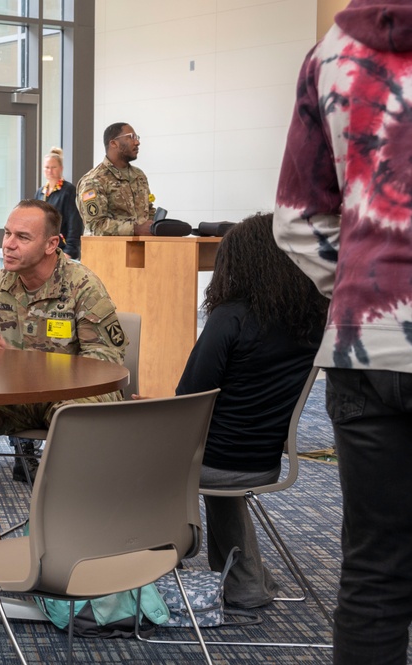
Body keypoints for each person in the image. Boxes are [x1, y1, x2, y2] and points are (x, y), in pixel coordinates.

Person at [272, 2, 412, 661]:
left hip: (365, 349)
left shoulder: (328, 55)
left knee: (373, 569)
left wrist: (362, 288)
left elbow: (296, 220)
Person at [0, 199, 127, 549]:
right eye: (7, 234)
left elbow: (106, 363)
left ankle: (78, 528)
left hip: (71, 393)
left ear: (52, 244)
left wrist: (33, 364)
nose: (8, 243)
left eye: (22, 237)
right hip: (15, 396)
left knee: (75, 417)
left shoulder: (82, 286)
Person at [174, 212, 327, 608]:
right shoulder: (313, 319)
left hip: (214, 461)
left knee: (112, 448)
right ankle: (244, 582)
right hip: (263, 460)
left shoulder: (231, 318)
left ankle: (136, 569)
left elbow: (190, 397)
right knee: (216, 463)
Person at [77, 123, 156, 236]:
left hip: (143, 250)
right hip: (111, 251)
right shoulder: (94, 181)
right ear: (113, 143)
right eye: (131, 137)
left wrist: (155, 225)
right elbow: (96, 225)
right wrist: (136, 229)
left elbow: (148, 210)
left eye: (137, 137)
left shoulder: (138, 175)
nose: (137, 142)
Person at [35, 147, 82, 260]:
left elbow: (74, 223)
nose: (50, 171)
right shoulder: (40, 192)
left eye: (53, 167)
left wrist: (70, 251)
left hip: (62, 250)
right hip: (42, 250)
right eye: (47, 167)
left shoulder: (69, 190)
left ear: (61, 168)